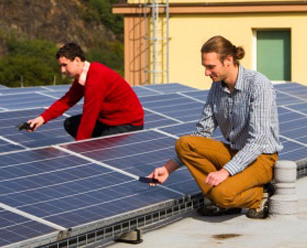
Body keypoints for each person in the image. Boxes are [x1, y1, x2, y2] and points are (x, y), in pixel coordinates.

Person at [148, 35, 283, 219]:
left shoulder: (258, 85)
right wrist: (168, 169)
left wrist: (225, 171)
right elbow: (202, 133)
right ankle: (226, 193)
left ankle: (259, 194)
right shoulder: (217, 88)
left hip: (261, 158)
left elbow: (258, 141)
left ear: (228, 60)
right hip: (235, 151)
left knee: (221, 195)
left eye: (210, 67)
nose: (206, 72)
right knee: (185, 143)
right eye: (204, 67)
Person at [28, 43, 144, 141]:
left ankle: (94, 154)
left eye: (65, 65)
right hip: (108, 120)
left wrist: (80, 150)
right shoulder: (83, 77)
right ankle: (93, 148)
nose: (62, 70)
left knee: (102, 147)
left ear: (77, 60)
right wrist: (42, 118)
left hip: (128, 124)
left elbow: (89, 116)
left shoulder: (96, 78)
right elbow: (67, 101)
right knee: (71, 124)